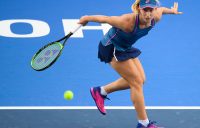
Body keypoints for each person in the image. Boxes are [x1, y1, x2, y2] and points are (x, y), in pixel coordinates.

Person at [78, 0, 182, 128]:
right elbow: (106, 19)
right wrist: (86, 18)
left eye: (151, 10)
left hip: (125, 47)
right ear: (139, 9)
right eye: (145, 10)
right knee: (136, 82)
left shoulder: (156, 16)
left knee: (141, 80)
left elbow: (162, 10)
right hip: (112, 47)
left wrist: (172, 11)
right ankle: (143, 124)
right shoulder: (127, 22)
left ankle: (100, 91)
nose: (148, 14)